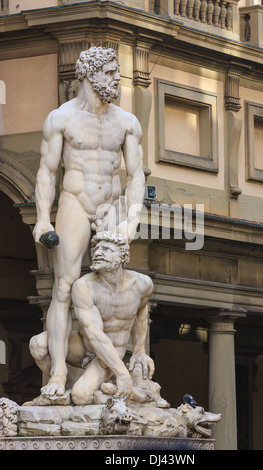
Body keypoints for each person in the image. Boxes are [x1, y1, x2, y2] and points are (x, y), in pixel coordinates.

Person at [32, 46, 145, 398]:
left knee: (116, 285)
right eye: (110, 71)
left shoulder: (127, 121)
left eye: (117, 72)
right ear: (90, 74)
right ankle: (58, 373)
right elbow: (47, 173)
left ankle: (116, 363)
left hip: (110, 208)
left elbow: (137, 174)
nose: (117, 78)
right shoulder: (61, 118)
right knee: (63, 287)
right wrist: (41, 220)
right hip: (74, 204)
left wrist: (133, 219)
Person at [30, 231, 154, 405]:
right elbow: (94, 334)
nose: (98, 252)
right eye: (95, 249)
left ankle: (126, 391)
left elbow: (141, 310)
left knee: (82, 396)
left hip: (113, 352)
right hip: (85, 346)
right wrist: (122, 373)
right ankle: (67, 390)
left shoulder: (142, 284)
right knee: (38, 344)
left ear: (122, 255)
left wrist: (139, 350)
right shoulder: (84, 286)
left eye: (106, 249)